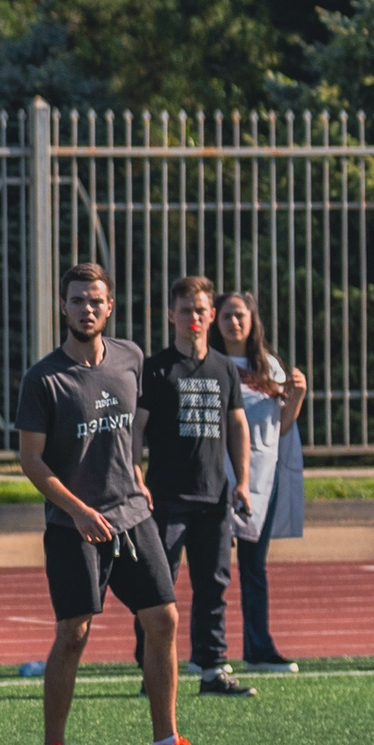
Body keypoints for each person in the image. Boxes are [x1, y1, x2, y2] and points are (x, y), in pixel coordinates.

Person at [13, 262, 219, 745]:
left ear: (110, 307)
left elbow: (129, 431)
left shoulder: (130, 358)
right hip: (73, 525)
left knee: (164, 619)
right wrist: (78, 510)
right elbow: (31, 461)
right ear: (63, 307)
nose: (87, 308)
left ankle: (165, 742)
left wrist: (137, 474)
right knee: (74, 632)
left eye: (95, 300)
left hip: (131, 512)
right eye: (77, 300)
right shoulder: (43, 379)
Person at [136, 274, 254, 697]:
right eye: (186, 310)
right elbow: (138, 427)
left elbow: (237, 424)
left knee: (214, 585)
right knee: (157, 587)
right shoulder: (157, 368)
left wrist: (242, 481)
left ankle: (212, 668)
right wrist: (135, 475)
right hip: (165, 497)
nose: (194, 318)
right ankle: (150, 669)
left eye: (201, 310)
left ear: (211, 316)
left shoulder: (224, 368)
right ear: (171, 314)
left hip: (213, 497)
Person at [213, 291, 308, 672]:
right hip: (216, 478)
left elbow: (280, 428)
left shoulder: (268, 366)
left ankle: (259, 647)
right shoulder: (209, 363)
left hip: (261, 482)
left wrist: (297, 397)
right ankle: (208, 651)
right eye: (228, 316)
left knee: (254, 567)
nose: (235, 322)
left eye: (241, 315)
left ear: (253, 321)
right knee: (212, 568)